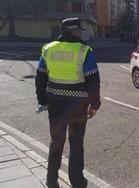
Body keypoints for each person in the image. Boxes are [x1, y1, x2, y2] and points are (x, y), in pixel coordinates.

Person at [35, 17, 101, 188]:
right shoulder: (84, 51)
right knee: (76, 145)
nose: (81, 33)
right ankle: (77, 182)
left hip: (55, 106)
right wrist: (94, 105)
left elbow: (40, 77)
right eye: (80, 30)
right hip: (78, 107)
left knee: (56, 143)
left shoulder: (48, 50)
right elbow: (93, 81)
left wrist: (43, 101)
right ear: (73, 31)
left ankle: (51, 182)